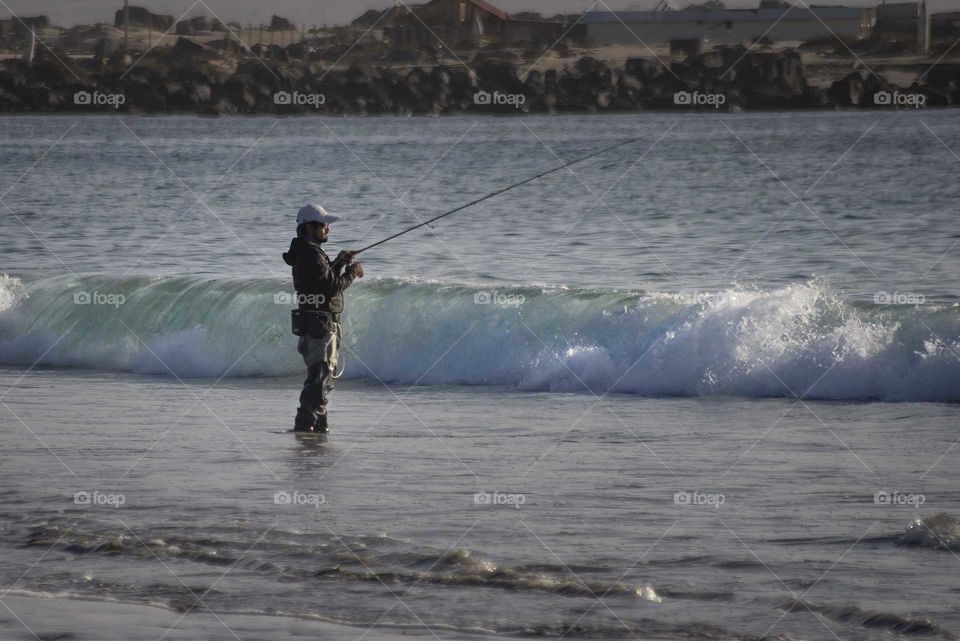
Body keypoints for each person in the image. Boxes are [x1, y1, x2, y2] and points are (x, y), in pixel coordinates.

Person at [282, 205, 364, 432]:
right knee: (321, 375)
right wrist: (352, 272)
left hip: (313, 321)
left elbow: (321, 280)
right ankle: (305, 424)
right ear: (309, 227)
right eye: (323, 224)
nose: (328, 228)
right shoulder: (311, 253)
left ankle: (317, 428)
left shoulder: (306, 252)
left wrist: (338, 262)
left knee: (321, 375)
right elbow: (332, 287)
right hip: (320, 322)